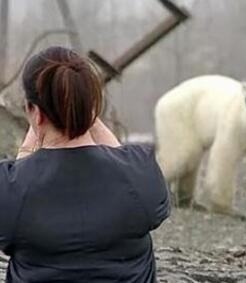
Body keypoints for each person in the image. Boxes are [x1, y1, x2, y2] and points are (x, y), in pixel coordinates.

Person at [0, 46, 170, 282]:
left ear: (35, 113)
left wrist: (35, 133)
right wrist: (83, 112)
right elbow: (123, 165)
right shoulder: (141, 173)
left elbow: (18, 185)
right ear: (90, 105)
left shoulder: (9, 189)